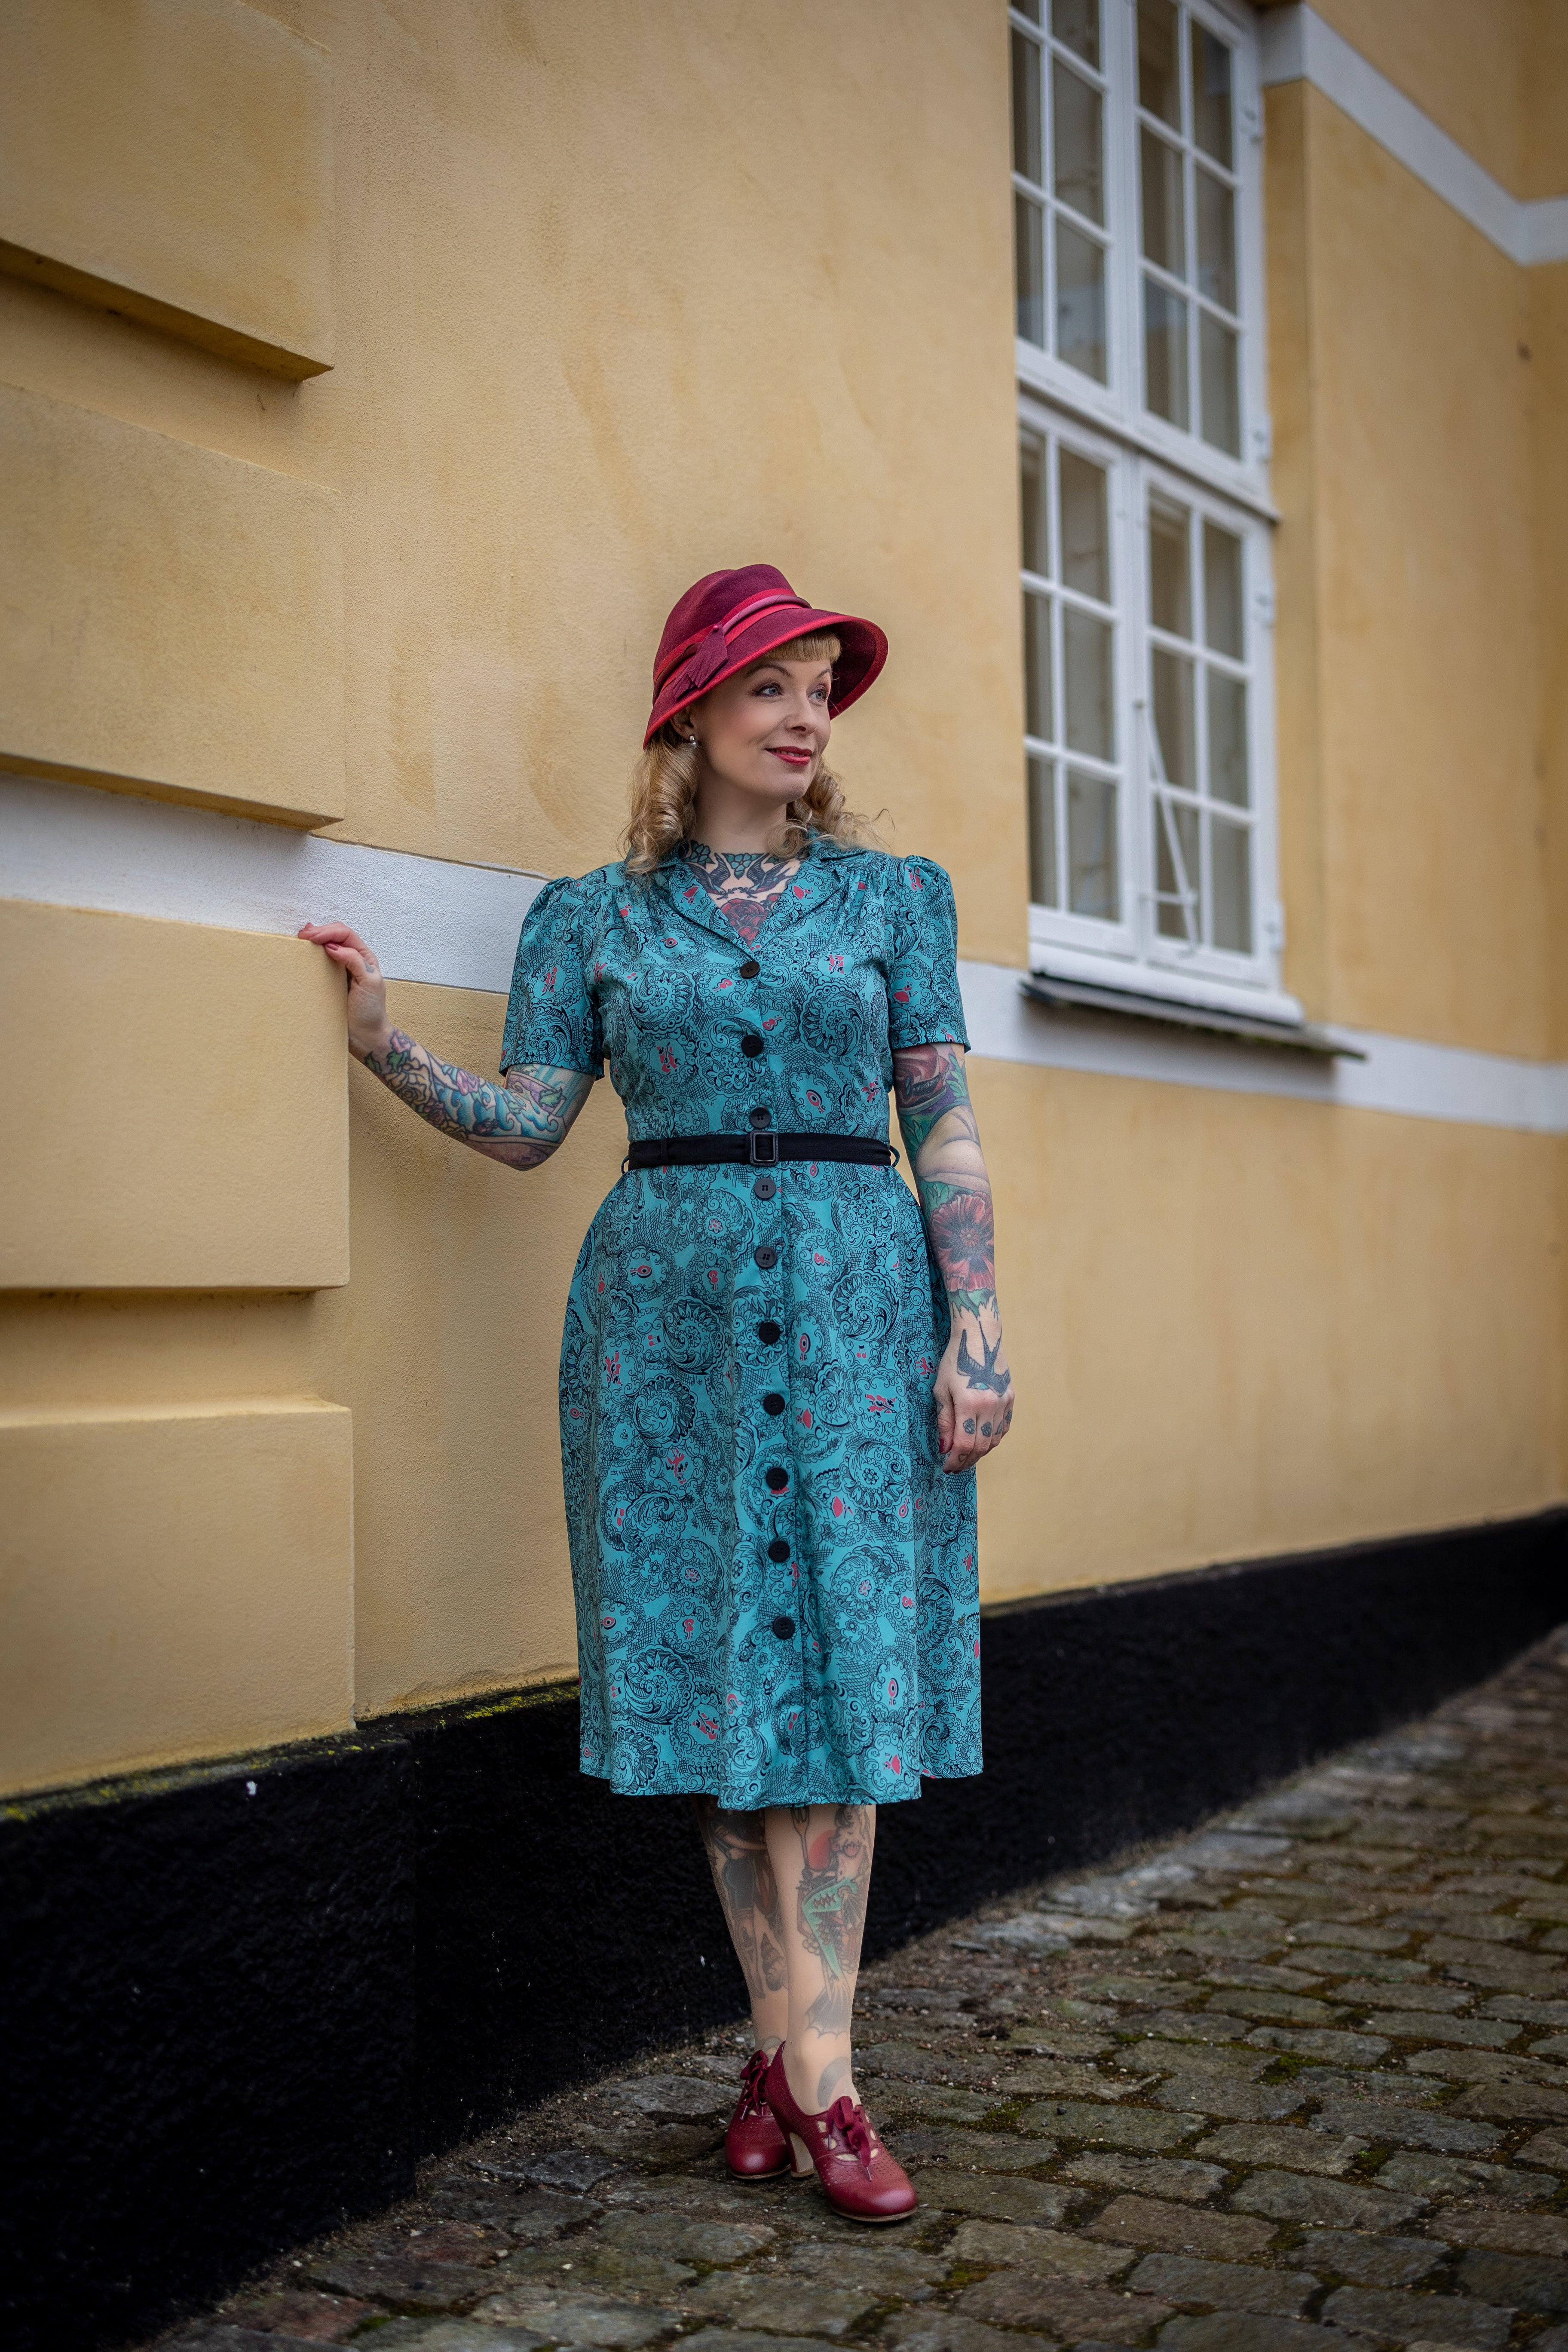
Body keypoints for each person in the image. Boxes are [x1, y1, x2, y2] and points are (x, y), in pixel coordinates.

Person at [300, 564, 1014, 2222]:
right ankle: (783, 2062)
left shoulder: (895, 898)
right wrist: (379, 1041)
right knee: (720, 1694)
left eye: (822, 687)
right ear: (687, 712)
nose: (806, 715)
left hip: (858, 1310)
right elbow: (530, 1124)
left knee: (841, 1688)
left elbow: (943, 1122)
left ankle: (821, 2081)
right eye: (772, 684)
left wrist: (975, 1323)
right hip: (663, 1333)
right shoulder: (591, 920)